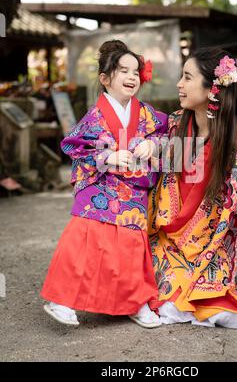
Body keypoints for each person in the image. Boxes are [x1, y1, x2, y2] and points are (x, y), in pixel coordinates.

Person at [41, 40, 168, 328]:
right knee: (84, 237)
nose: (132, 76)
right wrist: (107, 156)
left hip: (133, 190)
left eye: (136, 71)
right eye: (123, 70)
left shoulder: (146, 113)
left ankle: (134, 302)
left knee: (130, 248)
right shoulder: (95, 116)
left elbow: (165, 132)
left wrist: (152, 144)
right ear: (105, 78)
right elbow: (77, 147)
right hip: (101, 186)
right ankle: (62, 300)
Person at [148, 47, 237, 328]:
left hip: (214, 245)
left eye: (187, 77)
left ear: (211, 90)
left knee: (212, 294)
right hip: (168, 238)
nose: (179, 85)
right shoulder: (173, 127)